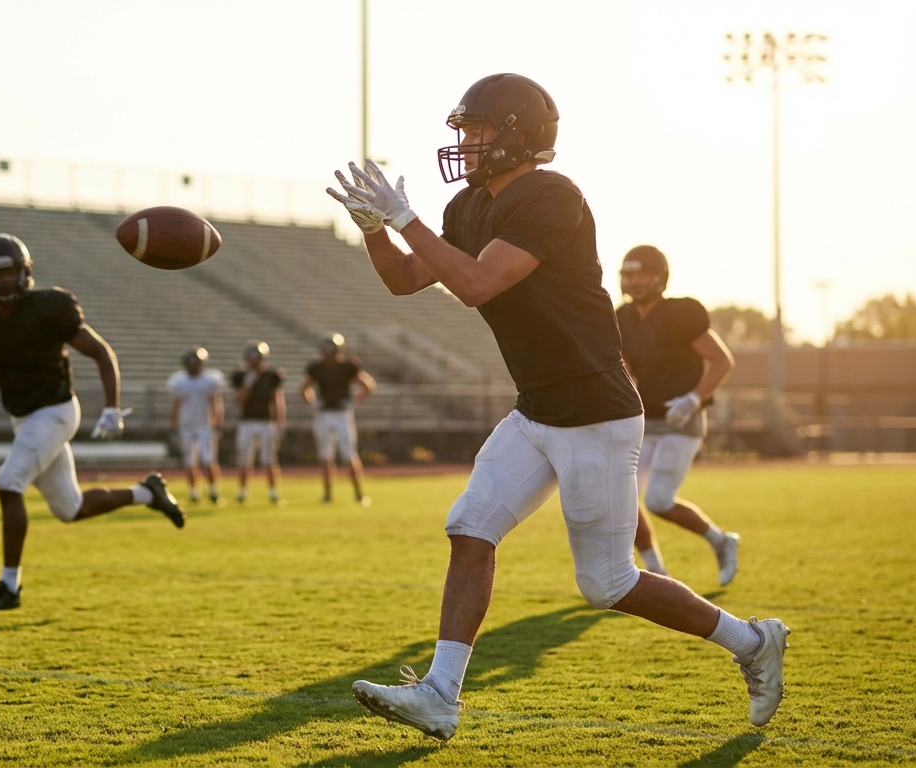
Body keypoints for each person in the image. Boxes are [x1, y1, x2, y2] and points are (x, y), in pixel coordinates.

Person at [328, 73, 789, 740]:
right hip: (537, 408)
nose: (464, 142)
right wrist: (376, 230)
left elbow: (478, 283)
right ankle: (440, 694)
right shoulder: (467, 208)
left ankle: (752, 642)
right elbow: (406, 278)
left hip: (593, 412)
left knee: (607, 583)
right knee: (470, 526)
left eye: (477, 129)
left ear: (518, 135)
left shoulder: (552, 195)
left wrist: (405, 219)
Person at [0, 233, 185, 612]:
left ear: (24, 272)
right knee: (69, 509)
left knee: (8, 483)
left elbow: (101, 352)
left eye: (10, 272)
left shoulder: (49, 307)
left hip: (57, 412)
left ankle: (9, 587)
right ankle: (148, 493)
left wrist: (111, 407)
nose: (5, 281)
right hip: (24, 420)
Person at [617, 245, 739, 584]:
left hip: (680, 422)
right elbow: (625, 369)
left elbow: (722, 360)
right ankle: (655, 570)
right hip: (645, 418)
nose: (635, 281)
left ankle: (721, 540)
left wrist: (693, 398)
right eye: (629, 274)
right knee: (623, 496)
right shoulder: (622, 318)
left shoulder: (681, 313)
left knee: (657, 499)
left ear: (660, 277)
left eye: (642, 274)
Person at [300, 333, 376, 505]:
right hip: (324, 414)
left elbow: (368, 385)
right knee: (326, 456)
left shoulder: (348, 367)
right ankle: (327, 494)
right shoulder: (317, 368)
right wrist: (314, 403)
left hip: (342, 414)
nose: (328, 355)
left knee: (349, 454)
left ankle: (358, 493)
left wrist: (354, 401)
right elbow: (304, 388)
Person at [167, 347, 226, 505]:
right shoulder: (179, 381)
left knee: (209, 460)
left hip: (205, 425)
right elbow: (176, 404)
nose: (193, 365)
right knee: (189, 461)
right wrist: (173, 424)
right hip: (186, 425)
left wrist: (218, 422)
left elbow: (216, 402)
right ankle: (194, 492)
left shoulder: (209, 380)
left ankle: (213, 490)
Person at [230, 342, 286, 506]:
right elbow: (239, 400)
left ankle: (273, 492)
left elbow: (277, 400)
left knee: (269, 459)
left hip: (266, 422)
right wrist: (248, 382)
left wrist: (280, 422)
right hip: (247, 422)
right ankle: (242, 492)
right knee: (244, 459)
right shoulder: (241, 376)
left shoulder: (271, 376)